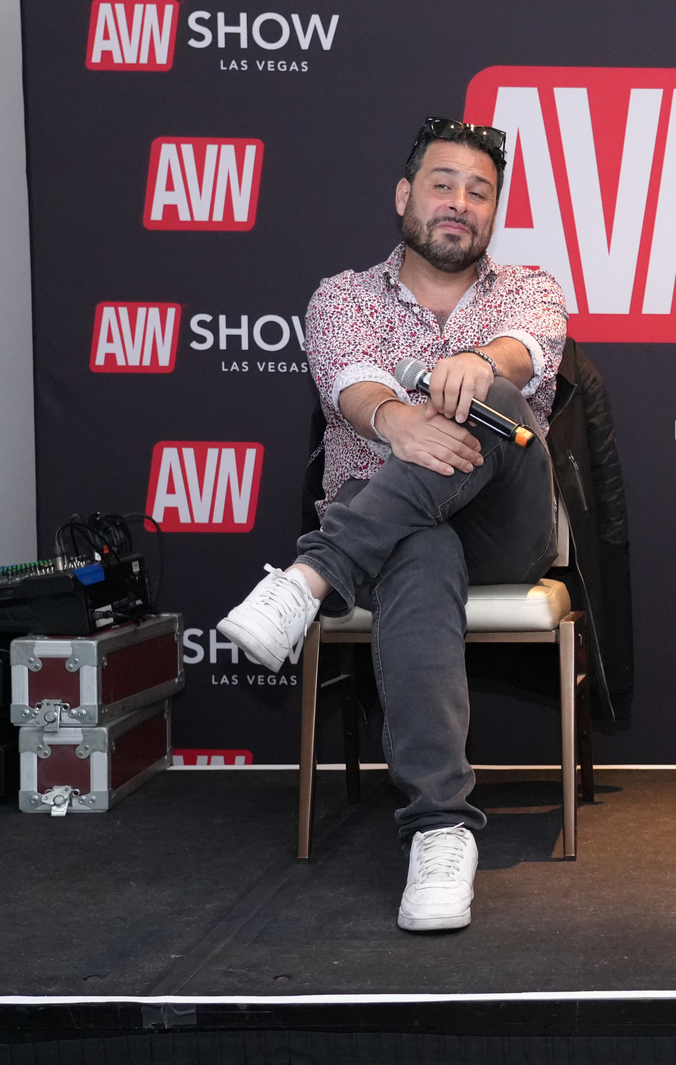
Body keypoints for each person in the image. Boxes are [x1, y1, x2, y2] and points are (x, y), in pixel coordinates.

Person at [217, 117, 567, 932]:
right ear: (405, 195)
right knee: (422, 546)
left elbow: (524, 350)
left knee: (492, 399)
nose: (460, 203)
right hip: (397, 539)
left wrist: (476, 368)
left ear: (494, 212)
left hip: (505, 529)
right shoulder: (343, 296)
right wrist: (394, 421)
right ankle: (442, 829)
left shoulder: (530, 287)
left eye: (480, 192)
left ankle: (310, 577)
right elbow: (353, 385)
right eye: (443, 184)